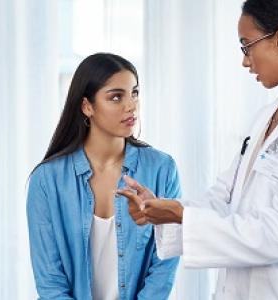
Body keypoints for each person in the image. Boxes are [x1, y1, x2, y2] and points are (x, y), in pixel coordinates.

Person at [117, 0, 278, 299]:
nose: (246, 61)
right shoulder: (266, 117)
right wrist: (166, 211)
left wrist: (182, 216)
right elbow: (225, 198)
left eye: (247, 46)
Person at [27, 53, 180, 300]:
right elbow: (50, 282)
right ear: (87, 106)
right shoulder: (46, 180)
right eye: (116, 97)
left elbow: (165, 263)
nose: (131, 105)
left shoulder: (162, 169)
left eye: (135, 93)